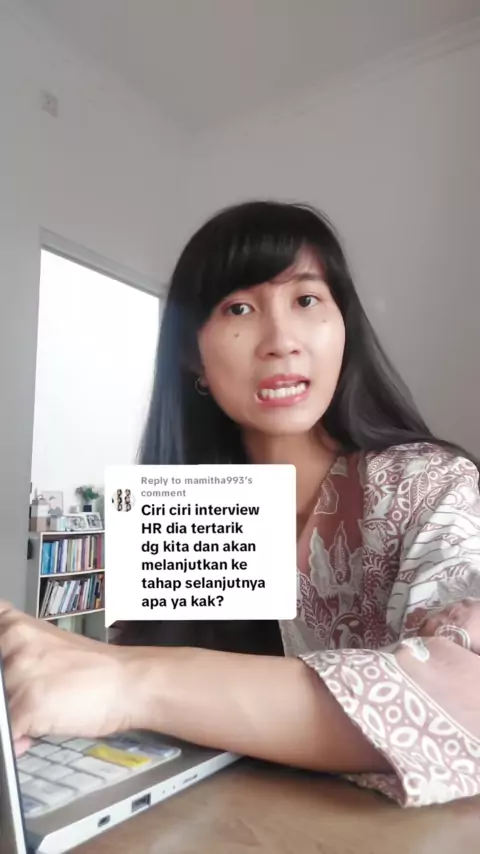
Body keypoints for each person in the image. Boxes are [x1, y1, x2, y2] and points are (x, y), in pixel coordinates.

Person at [2, 200, 480, 809]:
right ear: (191, 355)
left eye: (306, 299)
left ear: (344, 329)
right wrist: (61, 666)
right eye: (239, 309)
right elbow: (141, 695)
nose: (281, 341)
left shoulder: (428, 483)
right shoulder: (189, 505)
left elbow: (463, 696)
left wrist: (125, 682)